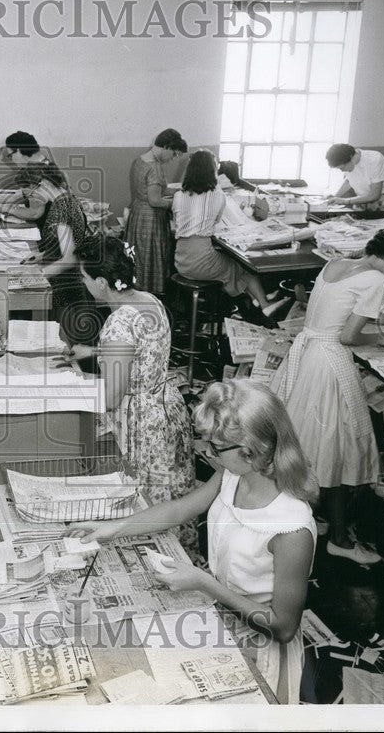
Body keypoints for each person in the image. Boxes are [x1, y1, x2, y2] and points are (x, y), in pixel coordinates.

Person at [70, 379, 318, 703]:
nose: (205, 452)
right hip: (219, 613)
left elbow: (282, 626)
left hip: (258, 645)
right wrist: (110, 529)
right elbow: (178, 509)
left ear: (252, 450)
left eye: (215, 447)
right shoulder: (234, 474)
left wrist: (204, 583)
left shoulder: (292, 528)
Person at [269, 226, 384, 564]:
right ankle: (340, 538)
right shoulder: (377, 281)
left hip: (307, 351)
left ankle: (329, 509)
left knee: (315, 443)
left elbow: (333, 311)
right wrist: (380, 338)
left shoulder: (338, 263)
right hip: (328, 362)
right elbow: (350, 336)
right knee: (334, 449)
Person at [58, 237, 197, 551]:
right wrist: (94, 350)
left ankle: (160, 558)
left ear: (102, 282)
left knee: (150, 505)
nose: (82, 281)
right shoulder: (147, 299)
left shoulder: (118, 323)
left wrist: (70, 387)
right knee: (174, 493)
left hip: (144, 424)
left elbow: (110, 398)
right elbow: (140, 348)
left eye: (84, 276)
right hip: (168, 407)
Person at [0, 131, 101, 345]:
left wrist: (40, 273)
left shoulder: (62, 210)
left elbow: (70, 258)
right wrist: (42, 254)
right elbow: (64, 245)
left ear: (42, 187)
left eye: (30, 192)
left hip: (69, 288)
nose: (30, 199)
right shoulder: (62, 201)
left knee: (66, 344)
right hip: (64, 278)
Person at [171, 149, 280, 327]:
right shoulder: (217, 194)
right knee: (243, 267)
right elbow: (215, 221)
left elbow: (177, 224)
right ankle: (264, 305)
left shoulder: (178, 195)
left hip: (181, 261)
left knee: (230, 267)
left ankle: (255, 300)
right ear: (213, 171)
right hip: (202, 262)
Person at [124, 129, 188, 296]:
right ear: (166, 147)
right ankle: (149, 299)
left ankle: (135, 296)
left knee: (138, 260)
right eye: (173, 154)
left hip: (137, 214)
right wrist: (178, 202)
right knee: (149, 262)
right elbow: (155, 201)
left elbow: (151, 191)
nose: (172, 158)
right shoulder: (155, 167)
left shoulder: (140, 160)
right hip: (150, 220)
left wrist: (176, 192)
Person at [324, 143, 384, 218]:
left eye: (342, 167)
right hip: (362, 200)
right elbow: (349, 180)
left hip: (383, 201)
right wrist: (335, 196)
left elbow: (374, 195)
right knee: (360, 228)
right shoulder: (348, 161)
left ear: (351, 157)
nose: (342, 170)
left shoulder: (374, 159)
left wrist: (344, 201)